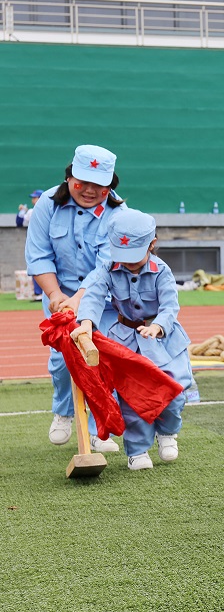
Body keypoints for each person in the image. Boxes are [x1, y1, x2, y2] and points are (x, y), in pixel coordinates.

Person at [71, 209, 191, 471]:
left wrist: (157, 326)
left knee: (173, 391)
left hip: (163, 341)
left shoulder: (162, 271)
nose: (128, 263)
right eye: (122, 256)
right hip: (126, 340)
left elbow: (170, 306)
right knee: (131, 397)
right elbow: (93, 295)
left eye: (134, 256)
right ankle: (137, 450)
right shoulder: (108, 269)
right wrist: (87, 323)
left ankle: (167, 432)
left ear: (152, 244)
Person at [25, 145, 126, 452]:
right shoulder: (47, 204)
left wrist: (81, 298)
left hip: (103, 299)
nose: (90, 191)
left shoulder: (119, 214)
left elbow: (107, 264)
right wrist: (55, 295)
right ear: (69, 177)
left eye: (100, 185)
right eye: (82, 183)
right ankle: (64, 412)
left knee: (101, 360)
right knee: (61, 361)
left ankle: (99, 430)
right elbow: (39, 255)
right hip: (59, 295)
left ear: (110, 186)